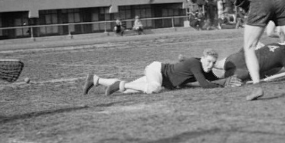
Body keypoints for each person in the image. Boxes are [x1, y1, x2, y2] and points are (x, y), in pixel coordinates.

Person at [83, 48, 220, 95]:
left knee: (129, 90)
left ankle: (95, 79)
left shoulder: (203, 68)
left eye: (213, 63)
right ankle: (119, 85)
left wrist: (234, 78)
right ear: (202, 58)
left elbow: (214, 79)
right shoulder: (195, 63)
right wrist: (222, 86)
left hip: (160, 76)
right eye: (208, 61)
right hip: (157, 70)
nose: (210, 65)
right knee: (154, 88)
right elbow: (205, 85)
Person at [212, 42, 285, 86]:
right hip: (244, 71)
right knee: (219, 79)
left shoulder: (275, 44)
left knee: (215, 65)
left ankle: (203, 62)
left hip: (238, 57)